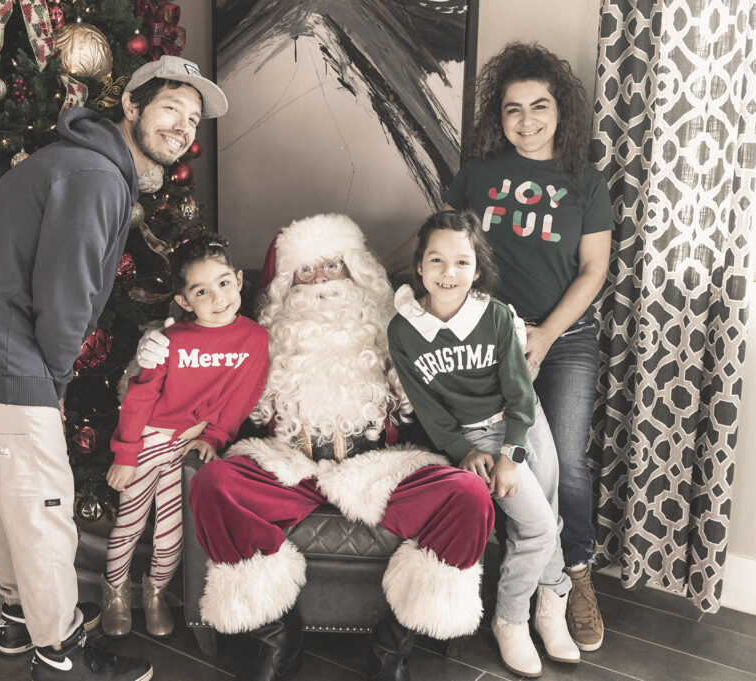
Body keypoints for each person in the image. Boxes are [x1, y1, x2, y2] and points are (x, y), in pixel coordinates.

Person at [0, 55, 228, 681]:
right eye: (170, 107)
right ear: (132, 108)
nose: (183, 127)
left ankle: (17, 618)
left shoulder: (89, 166)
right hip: (1, 352)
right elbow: (65, 295)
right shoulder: (94, 175)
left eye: (193, 119)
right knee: (43, 505)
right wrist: (52, 383)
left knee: (15, 499)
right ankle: (60, 653)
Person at [138, 214, 493, 681]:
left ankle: (392, 648)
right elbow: (200, 357)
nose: (320, 281)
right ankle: (277, 640)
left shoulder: (396, 328)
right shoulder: (258, 337)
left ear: (355, 272)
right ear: (288, 283)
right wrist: (155, 346)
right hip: (292, 465)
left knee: (468, 496)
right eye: (306, 271)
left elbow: (451, 373)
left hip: (377, 467)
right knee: (214, 483)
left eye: (332, 266)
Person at [386, 42, 613, 651]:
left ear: (560, 111)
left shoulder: (585, 182)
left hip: (559, 335)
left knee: (560, 462)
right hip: (484, 334)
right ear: (498, 116)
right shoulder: (478, 175)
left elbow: (593, 271)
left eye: (539, 106)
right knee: (501, 460)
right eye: (513, 109)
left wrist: (544, 334)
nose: (527, 120)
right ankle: (506, 587)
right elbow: (440, 244)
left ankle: (571, 577)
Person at [388, 209, 579, 677]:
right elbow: (430, 411)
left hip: (524, 422)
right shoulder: (403, 330)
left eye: (461, 262)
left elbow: (519, 393)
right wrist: (467, 451)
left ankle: (550, 604)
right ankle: (510, 619)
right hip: (477, 434)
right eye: (436, 260)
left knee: (546, 515)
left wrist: (512, 454)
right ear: (419, 267)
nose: (448, 273)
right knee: (537, 527)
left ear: (477, 268)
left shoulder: (492, 316)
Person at [101, 234, 268, 641]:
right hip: (148, 441)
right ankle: (114, 592)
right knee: (130, 521)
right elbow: (141, 397)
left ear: (240, 280)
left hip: (189, 447)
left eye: (224, 283)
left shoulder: (254, 340)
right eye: (201, 291)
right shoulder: (171, 341)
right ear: (185, 301)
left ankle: (155, 592)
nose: (218, 298)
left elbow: (241, 400)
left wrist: (213, 437)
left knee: (172, 529)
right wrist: (125, 453)